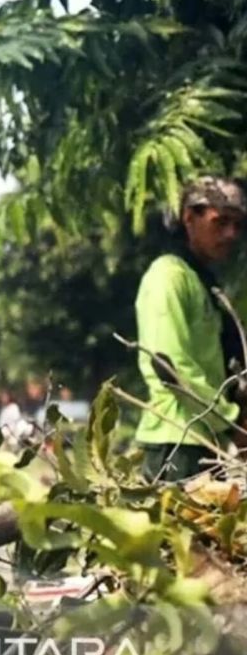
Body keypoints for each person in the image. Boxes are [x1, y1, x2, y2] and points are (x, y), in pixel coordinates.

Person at [136, 176, 247, 481]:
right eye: (220, 222)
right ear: (189, 218)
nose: (230, 233)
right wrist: (233, 423)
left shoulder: (204, 283)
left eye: (237, 224)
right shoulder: (168, 276)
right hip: (177, 441)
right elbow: (170, 367)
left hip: (208, 440)